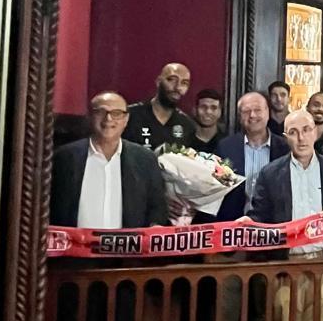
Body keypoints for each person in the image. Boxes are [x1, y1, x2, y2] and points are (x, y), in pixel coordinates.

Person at [249, 108, 323, 321]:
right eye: (293, 132)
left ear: (316, 132)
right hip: (284, 266)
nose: (301, 138)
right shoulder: (270, 174)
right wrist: (247, 223)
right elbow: (259, 217)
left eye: (306, 130)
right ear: (285, 137)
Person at [49, 92, 169, 227]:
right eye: (101, 112)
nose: (109, 119)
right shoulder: (64, 158)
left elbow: (157, 208)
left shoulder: (145, 160)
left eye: (117, 113)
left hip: (128, 246)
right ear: (90, 116)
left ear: (126, 119)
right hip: (76, 246)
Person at [214, 90, 288, 219]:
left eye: (258, 110)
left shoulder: (284, 148)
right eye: (246, 111)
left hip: (273, 227)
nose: (252, 115)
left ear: (268, 113)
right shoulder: (225, 147)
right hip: (234, 225)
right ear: (239, 117)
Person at [126, 62, 201, 151]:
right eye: (172, 80)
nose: (177, 87)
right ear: (158, 81)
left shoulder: (188, 125)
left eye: (184, 83)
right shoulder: (130, 115)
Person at [192, 87, 224, 153]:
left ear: (220, 112)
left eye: (213, 108)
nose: (208, 112)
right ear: (195, 110)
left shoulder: (227, 143)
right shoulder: (184, 140)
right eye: (203, 107)